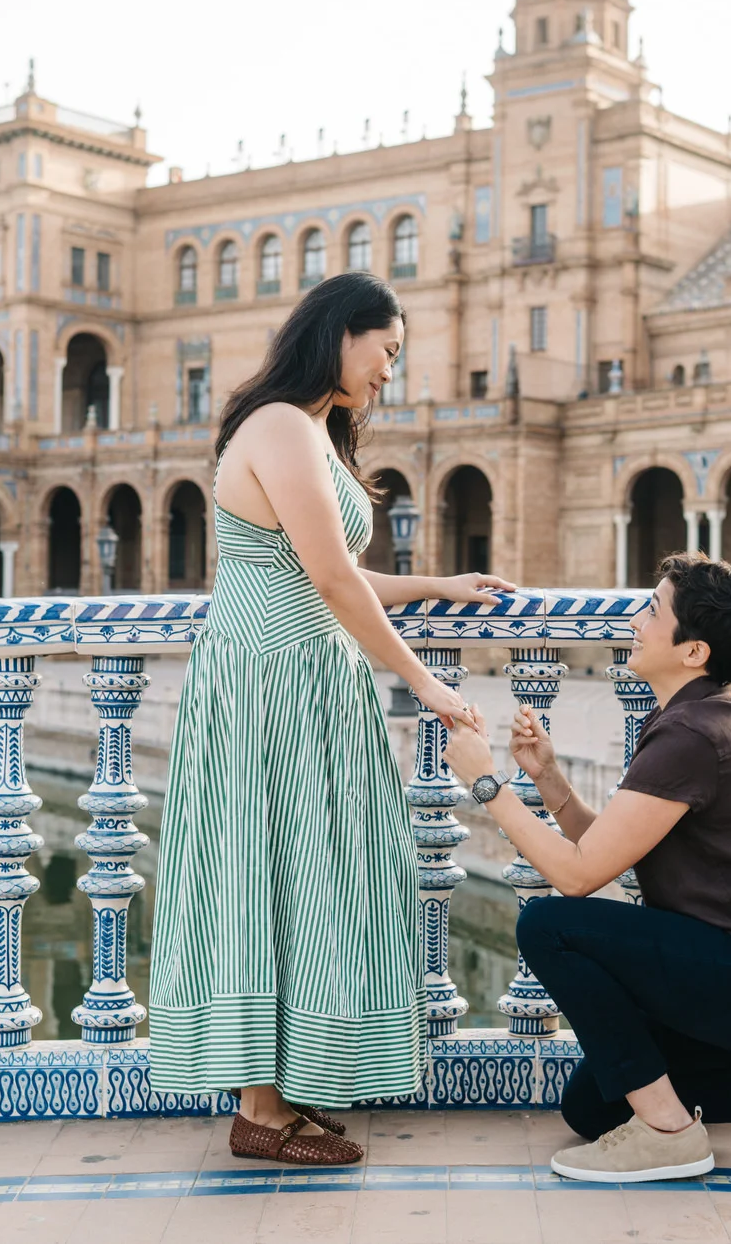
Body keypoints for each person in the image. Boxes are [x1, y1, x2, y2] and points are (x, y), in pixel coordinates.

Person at [148, 272, 513, 1166]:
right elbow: (327, 576)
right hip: (271, 683)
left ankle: (285, 1090)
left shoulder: (302, 428)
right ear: (341, 334)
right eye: (386, 350)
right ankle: (259, 1110)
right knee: (265, 873)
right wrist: (424, 682)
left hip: (304, 680)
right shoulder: (277, 425)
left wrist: (434, 585)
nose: (391, 370)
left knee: (307, 877)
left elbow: (334, 567)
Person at [444, 553, 731, 1184]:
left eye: (654, 611)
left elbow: (577, 878)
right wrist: (547, 780)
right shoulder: (698, 718)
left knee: (549, 924)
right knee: (592, 1104)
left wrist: (486, 783)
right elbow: (606, 852)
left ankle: (669, 1134)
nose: (638, 619)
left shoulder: (693, 734)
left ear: (693, 651)